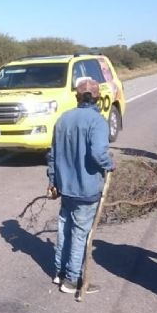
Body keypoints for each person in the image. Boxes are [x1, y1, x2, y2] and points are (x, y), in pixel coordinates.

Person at [47, 78, 114, 295]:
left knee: (65, 230)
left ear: (77, 97)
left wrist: (52, 181)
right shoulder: (97, 121)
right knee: (80, 234)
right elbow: (98, 153)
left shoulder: (63, 119)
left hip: (65, 187)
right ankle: (72, 280)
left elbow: (52, 155)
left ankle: (59, 272)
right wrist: (110, 165)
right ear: (98, 98)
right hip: (86, 190)